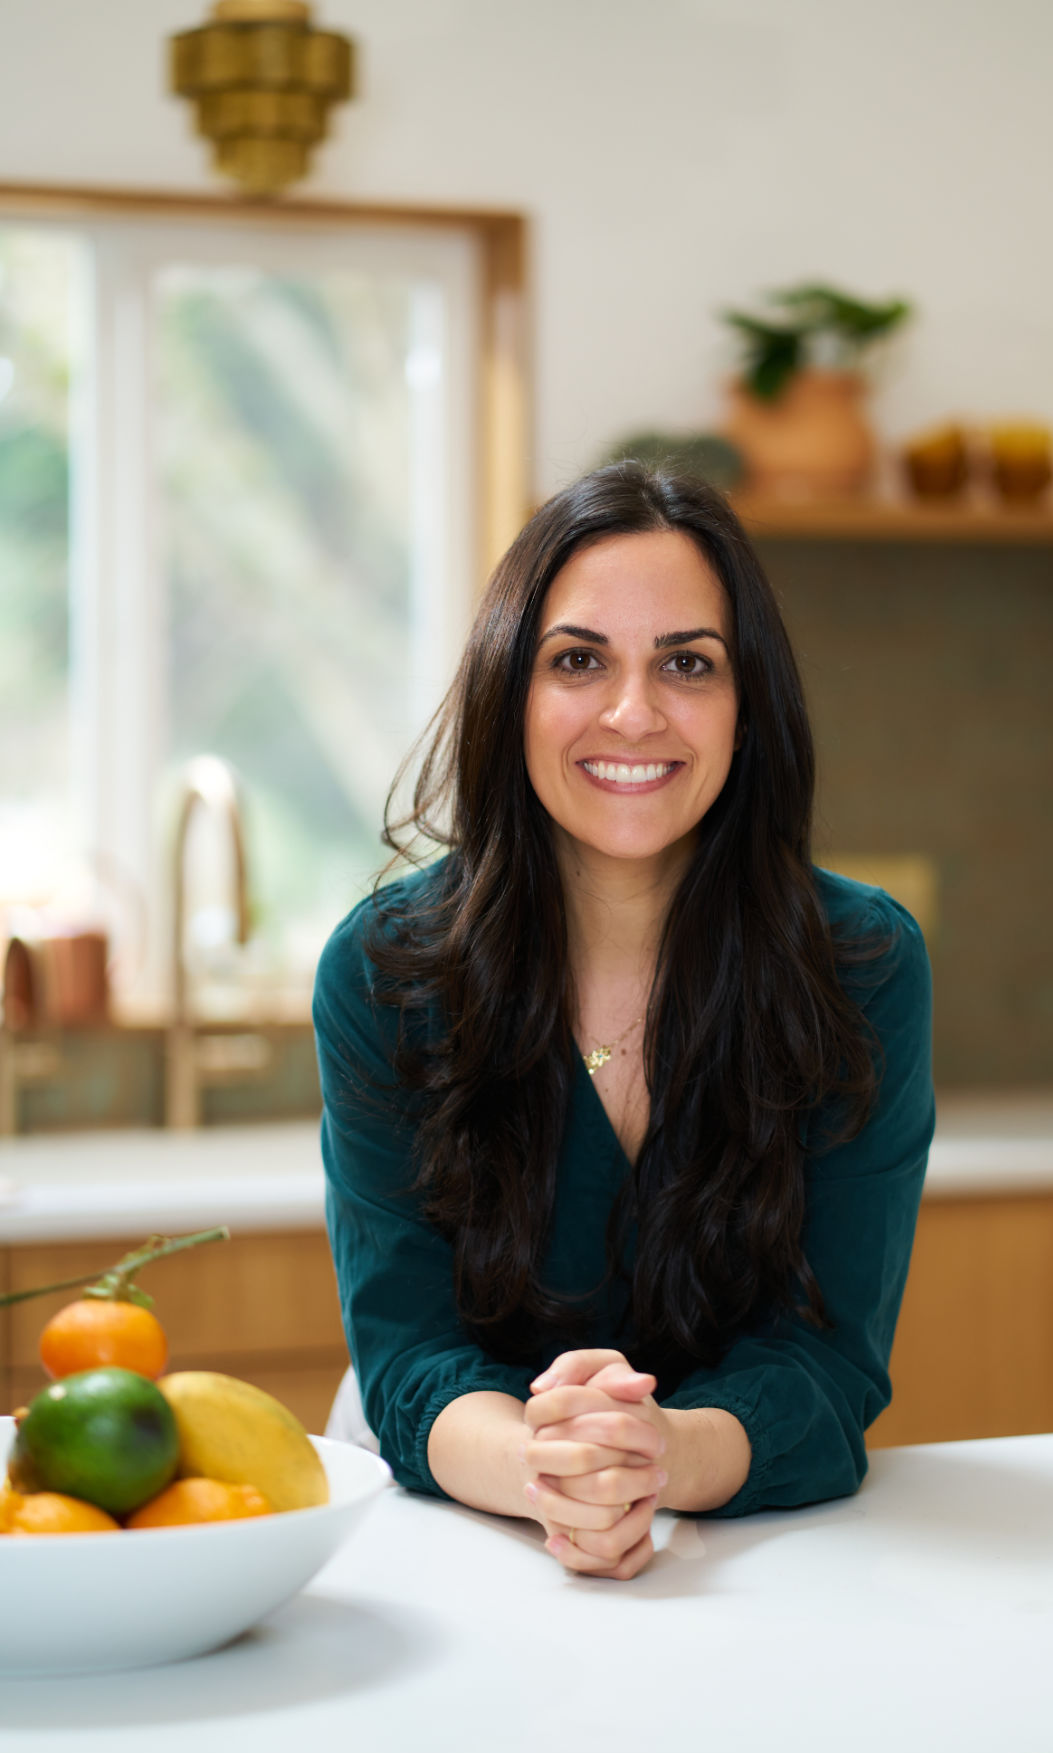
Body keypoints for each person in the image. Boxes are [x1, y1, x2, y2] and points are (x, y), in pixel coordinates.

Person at [313, 461, 934, 1582]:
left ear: (749, 710)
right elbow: (407, 1355)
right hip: (453, 1522)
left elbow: (830, 1362)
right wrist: (552, 1471)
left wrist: (657, 1458)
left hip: (744, 1539)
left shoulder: (862, 964)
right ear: (514, 695)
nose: (634, 710)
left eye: (688, 662)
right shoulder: (381, 969)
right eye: (580, 659)